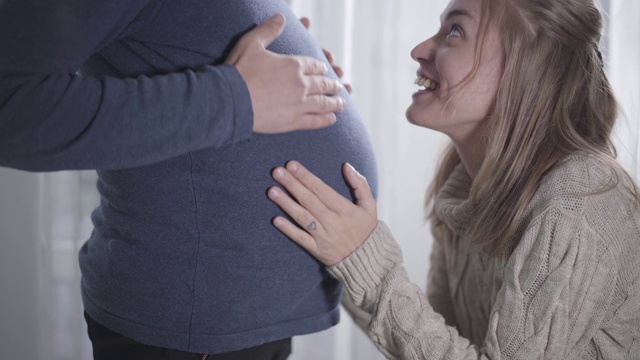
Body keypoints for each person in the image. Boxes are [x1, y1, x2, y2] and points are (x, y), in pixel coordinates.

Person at [0, 1, 378, 359]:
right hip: (191, 329)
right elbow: (11, 107)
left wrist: (299, 76)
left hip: (236, 320)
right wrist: (237, 98)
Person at [267, 0, 640, 358]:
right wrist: (341, 251)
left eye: (455, 31)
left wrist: (364, 258)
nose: (419, 50)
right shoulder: (464, 187)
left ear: (527, 65)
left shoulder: (582, 200)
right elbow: (441, 339)